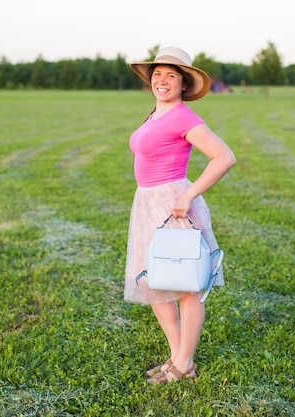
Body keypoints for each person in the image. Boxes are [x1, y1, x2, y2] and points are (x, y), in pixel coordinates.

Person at [124, 47, 236, 384]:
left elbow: (224, 157)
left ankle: (184, 363)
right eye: (157, 74)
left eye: (171, 75)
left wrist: (189, 194)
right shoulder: (156, 113)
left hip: (174, 205)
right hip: (147, 203)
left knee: (185, 285)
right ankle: (177, 358)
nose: (162, 80)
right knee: (155, 281)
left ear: (183, 84)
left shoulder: (184, 117)